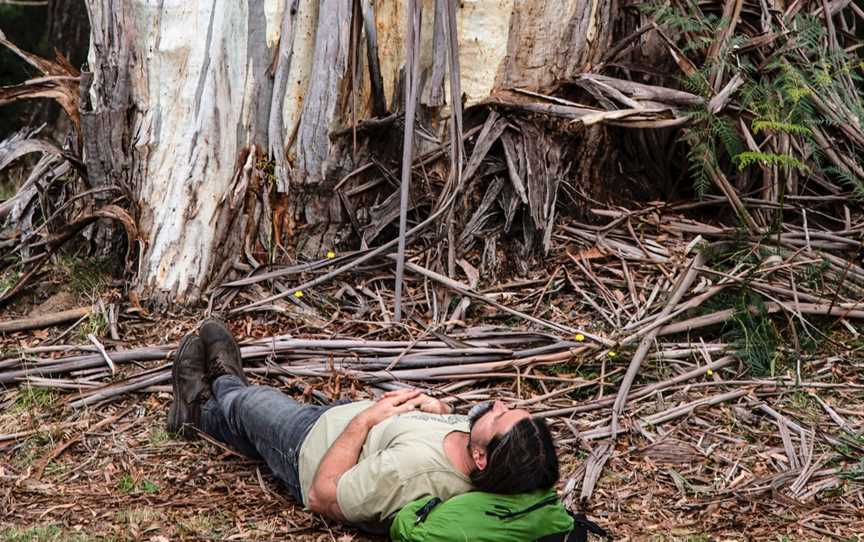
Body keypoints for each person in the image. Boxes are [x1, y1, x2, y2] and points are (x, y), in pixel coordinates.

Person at [168, 319, 560, 529]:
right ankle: (196, 414)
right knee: (246, 433)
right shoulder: (474, 444)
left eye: (500, 415)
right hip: (336, 422)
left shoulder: (408, 473)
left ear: (480, 459)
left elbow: (323, 496)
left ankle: (222, 383)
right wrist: (437, 411)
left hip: (308, 447)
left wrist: (365, 421)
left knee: (248, 405)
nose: (498, 403)